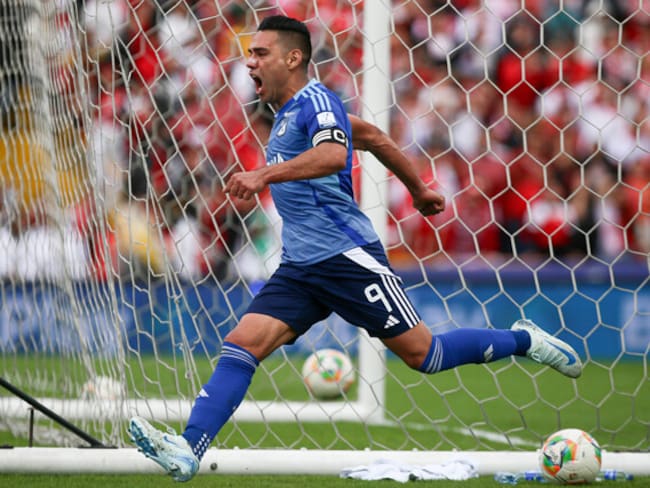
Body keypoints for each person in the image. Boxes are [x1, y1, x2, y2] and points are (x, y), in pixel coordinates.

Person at [128, 15, 582, 482]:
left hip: (346, 257)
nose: (250, 63)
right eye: (250, 54)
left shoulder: (317, 101)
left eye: (260, 53)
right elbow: (373, 138)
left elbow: (332, 154)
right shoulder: (285, 115)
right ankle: (188, 448)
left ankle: (525, 340)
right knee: (242, 345)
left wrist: (263, 175)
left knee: (425, 356)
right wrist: (419, 189)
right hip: (301, 267)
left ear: (293, 57)